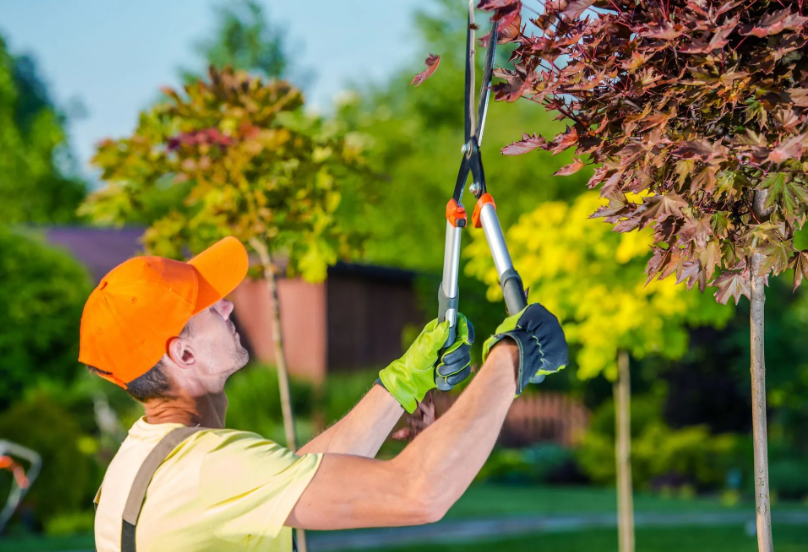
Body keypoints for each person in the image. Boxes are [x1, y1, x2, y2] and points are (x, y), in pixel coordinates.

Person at [82, 236, 567, 552]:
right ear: (183, 356)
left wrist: (405, 380)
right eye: (209, 306)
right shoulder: (208, 468)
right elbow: (419, 494)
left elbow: (294, 479)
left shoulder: (149, 461)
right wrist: (513, 358)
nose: (228, 305)